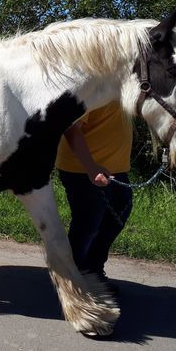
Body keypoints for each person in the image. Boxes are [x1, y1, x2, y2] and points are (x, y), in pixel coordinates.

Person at [55, 101, 133, 294]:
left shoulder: (122, 87)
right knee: (88, 226)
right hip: (84, 169)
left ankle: (92, 270)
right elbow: (71, 129)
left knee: (116, 218)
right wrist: (90, 167)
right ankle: (71, 280)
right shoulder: (95, 86)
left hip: (116, 169)